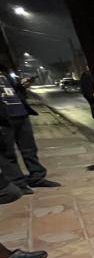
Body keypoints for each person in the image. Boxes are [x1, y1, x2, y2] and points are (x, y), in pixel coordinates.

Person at [0, 64, 60, 192]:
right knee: (7, 153)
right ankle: (18, 184)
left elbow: (14, 92)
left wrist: (22, 85)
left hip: (21, 113)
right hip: (4, 119)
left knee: (29, 150)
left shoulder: (4, 73)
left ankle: (37, 178)